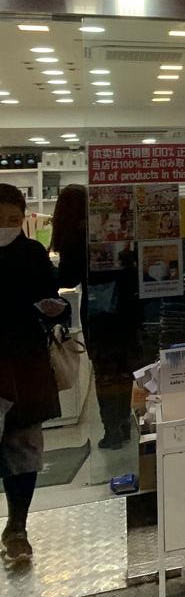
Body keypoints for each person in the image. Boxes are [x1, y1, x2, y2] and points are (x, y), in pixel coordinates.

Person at [0, 184, 69, 563]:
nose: (7, 227)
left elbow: (52, 296)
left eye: (13, 219)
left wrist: (55, 309)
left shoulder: (31, 252)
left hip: (25, 360)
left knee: (24, 446)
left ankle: (17, 527)